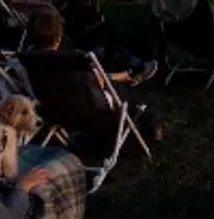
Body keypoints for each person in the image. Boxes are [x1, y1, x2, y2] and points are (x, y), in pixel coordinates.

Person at [8, 8, 161, 144]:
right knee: (128, 93)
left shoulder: (22, 61)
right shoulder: (74, 60)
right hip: (92, 111)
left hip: (51, 110)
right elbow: (96, 83)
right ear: (59, 36)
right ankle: (153, 128)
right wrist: (122, 75)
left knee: (114, 84)